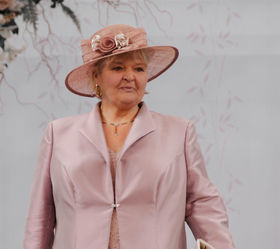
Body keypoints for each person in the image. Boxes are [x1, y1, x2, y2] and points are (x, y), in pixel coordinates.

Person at [23, 24, 236, 249]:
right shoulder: (58, 134)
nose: (130, 77)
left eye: (139, 69)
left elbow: (201, 204)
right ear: (96, 75)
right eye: (117, 68)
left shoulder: (179, 132)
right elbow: (40, 218)